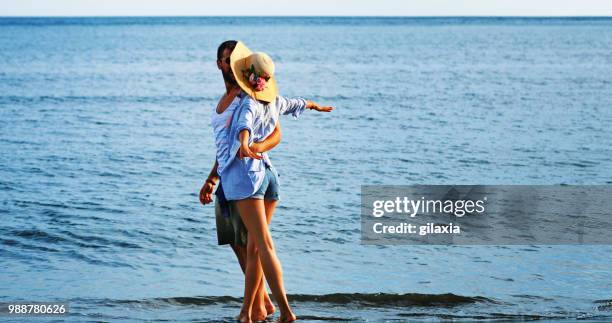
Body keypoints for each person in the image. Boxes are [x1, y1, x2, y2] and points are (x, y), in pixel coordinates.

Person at [218, 41, 333, 323]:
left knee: (264, 246)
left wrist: (246, 144)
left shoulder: (248, 102)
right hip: (270, 178)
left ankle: (286, 311)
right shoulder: (275, 100)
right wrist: (315, 105)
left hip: (250, 178)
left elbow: (244, 125)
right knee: (256, 248)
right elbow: (298, 103)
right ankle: (250, 311)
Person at [199, 40, 280, 322]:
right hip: (225, 176)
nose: (230, 65)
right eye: (225, 60)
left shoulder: (249, 95)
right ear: (219, 64)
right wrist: (212, 178)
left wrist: (255, 148)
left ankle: (255, 309)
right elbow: (224, 145)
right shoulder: (224, 98)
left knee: (252, 244)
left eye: (235, 60)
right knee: (236, 242)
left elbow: (276, 134)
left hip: (246, 176)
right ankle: (264, 303)